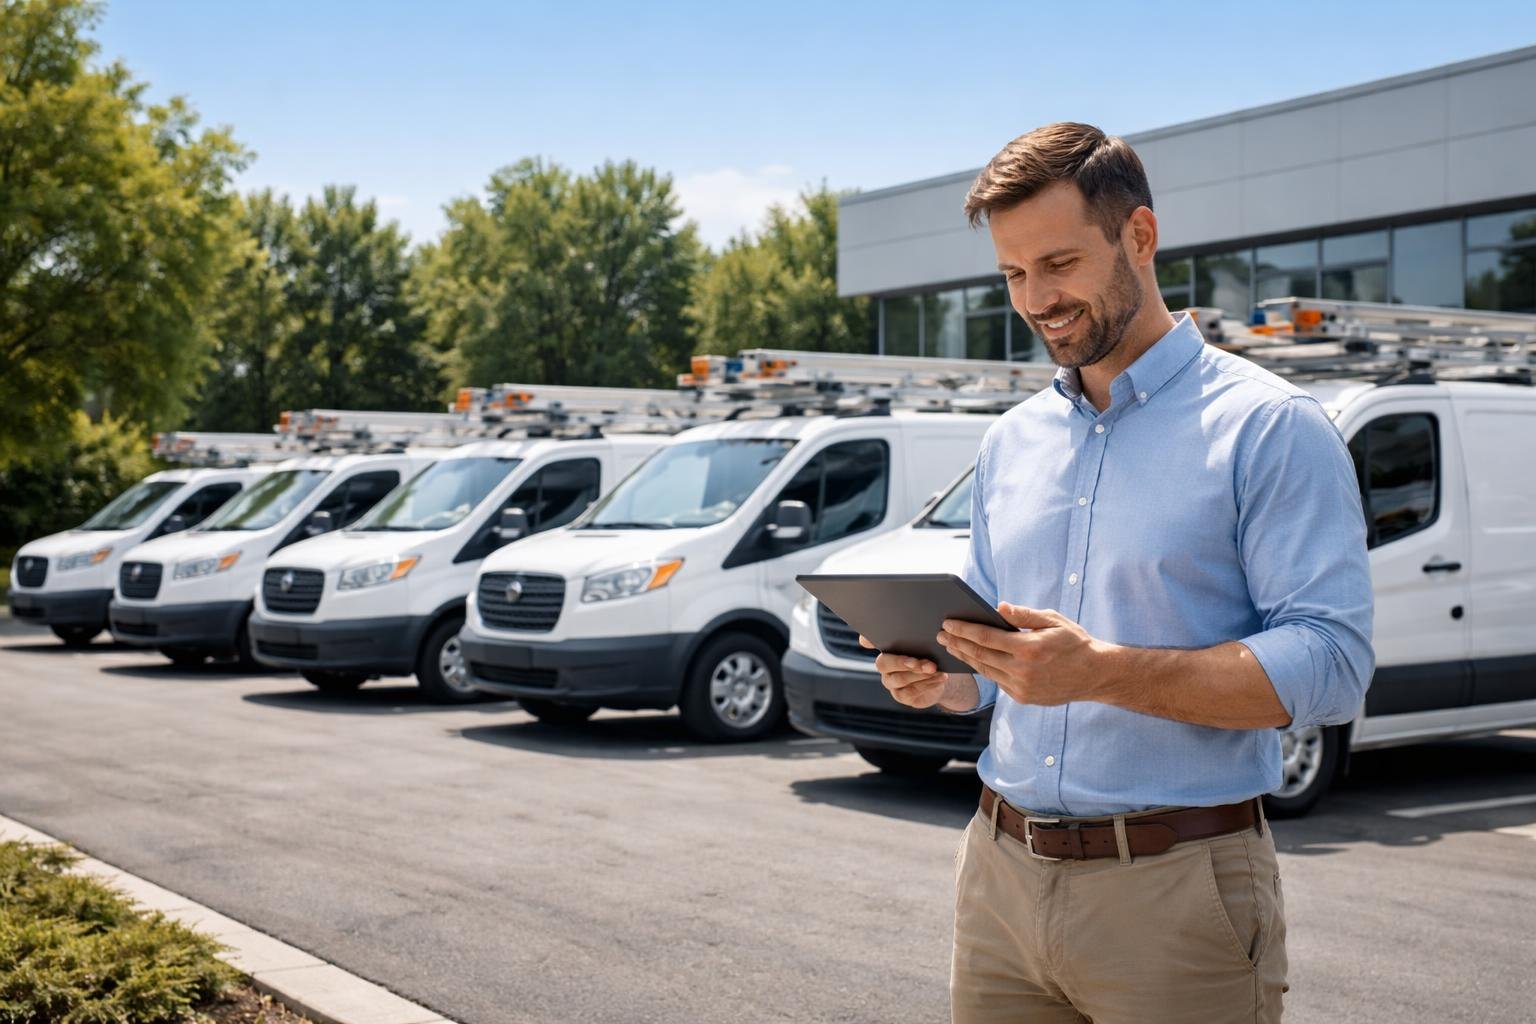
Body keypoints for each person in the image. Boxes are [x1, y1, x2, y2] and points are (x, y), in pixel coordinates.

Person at [859, 122, 1374, 1023]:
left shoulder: (1269, 427)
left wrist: (1100, 673)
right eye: (1014, 275)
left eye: (1058, 263)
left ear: (1140, 236)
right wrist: (942, 681)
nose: (1035, 299)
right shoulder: (1010, 442)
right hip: (999, 880)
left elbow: (1333, 664)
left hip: (1178, 895)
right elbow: (996, 680)